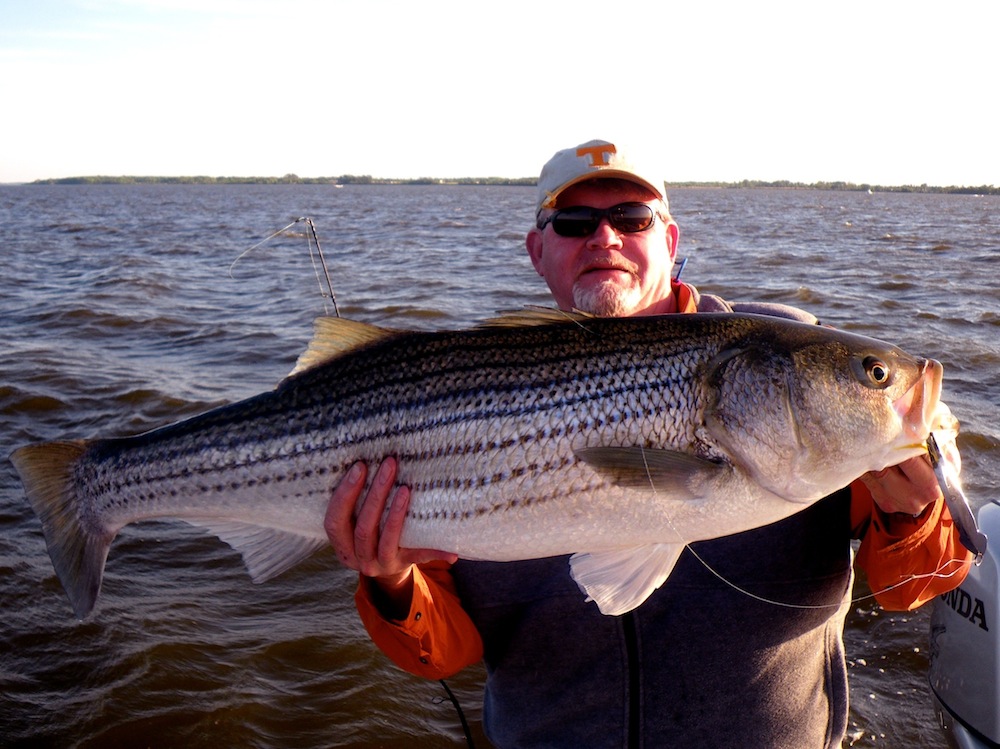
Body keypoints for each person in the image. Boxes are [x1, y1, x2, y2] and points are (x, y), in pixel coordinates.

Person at [324, 139, 973, 748]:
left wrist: (913, 515)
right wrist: (389, 577)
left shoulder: (789, 357)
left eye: (632, 218)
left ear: (668, 239)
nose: (605, 237)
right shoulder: (455, 381)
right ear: (536, 250)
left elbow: (917, 585)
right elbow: (442, 650)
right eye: (574, 223)